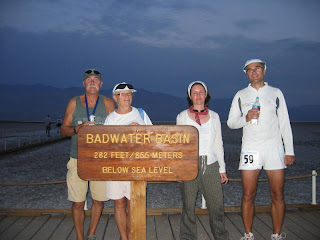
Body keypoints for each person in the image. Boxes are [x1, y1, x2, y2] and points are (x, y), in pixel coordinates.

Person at [227, 59, 295, 240]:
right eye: (249, 70)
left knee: (277, 194)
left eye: (257, 68)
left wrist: (290, 150)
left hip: (274, 149)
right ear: (246, 74)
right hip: (250, 149)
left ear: (264, 70)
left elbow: (284, 124)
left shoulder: (276, 93)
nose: (254, 72)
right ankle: (248, 234)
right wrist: (246, 118)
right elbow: (231, 123)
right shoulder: (240, 95)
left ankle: (277, 234)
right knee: (248, 194)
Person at [61, 69, 115, 240]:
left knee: (99, 200)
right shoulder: (73, 103)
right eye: (89, 79)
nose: (92, 82)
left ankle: (91, 233)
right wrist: (77, 128)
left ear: (101, 84)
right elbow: (63, 130)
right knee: (77, 203)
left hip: (100, 161)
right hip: (78, 159)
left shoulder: (107, 103)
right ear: (84, 84)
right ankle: (79, 237)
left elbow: (117, 129)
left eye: (96, 80)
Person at [176, 81, 229, 240]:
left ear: (206, 95)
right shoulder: (182, 116)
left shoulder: (214, 116)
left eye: (201, 92)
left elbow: (218, 143)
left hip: (211, 166)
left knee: (217, 206)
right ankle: (187, 237)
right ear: (190, 96)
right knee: (188, 207)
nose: (198, 95)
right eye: (194, 92)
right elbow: (179, 145)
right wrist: (179, 170)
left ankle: (221, 236)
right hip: (189, 166)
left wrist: (222, 169)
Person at [104, 82, 152, 240]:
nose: (127, 96)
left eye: (129, 93)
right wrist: (126, 132)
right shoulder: (110, 119)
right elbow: (106, 144)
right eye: (122, 94)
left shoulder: (141, 114)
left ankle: (132, 236)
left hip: (137, 167)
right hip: (116, 167)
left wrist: (141, 131)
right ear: (115, 97)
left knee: (134, 203)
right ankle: (124, 237)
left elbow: (153, 137)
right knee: (118, 203)